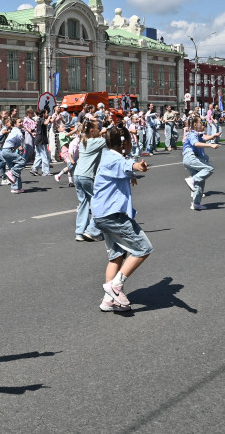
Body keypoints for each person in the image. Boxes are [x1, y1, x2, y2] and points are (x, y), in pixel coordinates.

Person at [91, 121, 151, 312]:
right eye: (131, 141)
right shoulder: (115, 160)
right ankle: (116, 286)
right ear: (124, 144)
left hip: (102, 215)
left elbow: (123, 167)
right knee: (143, 248)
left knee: (116, 256)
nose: (133, 143)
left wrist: (131, 174)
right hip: (112, 215)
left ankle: (108, 300)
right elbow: (126, 164)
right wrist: (138, 167)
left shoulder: (107, 156)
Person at [72, 120, 105, 241]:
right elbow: (110, 141)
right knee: (100, 202)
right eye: (98, 128)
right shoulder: (97, 141)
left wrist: (100, 133)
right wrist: (105, 132)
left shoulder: (83, 141)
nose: (99, 130)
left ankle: (80, 232)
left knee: (83, 203)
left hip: (77, 174)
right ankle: (92, 231)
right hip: (87, 176)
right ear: (92, 130)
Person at [182, 115, 220, 210]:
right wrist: (211, 145)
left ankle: (196, 203)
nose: (202, 124)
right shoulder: (192, 134)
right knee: (209, 169)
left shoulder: (196, 135)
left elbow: (202, 139)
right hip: (190, 157)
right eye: (201, 123)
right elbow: (196, 143)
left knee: (200, 181)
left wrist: (212, 136)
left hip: (191, 158)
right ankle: (192, 180)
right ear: (195, 124)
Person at [0, 117, 26, 193]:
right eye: (19, 122)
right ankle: (10, 172)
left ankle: (16, 188)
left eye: (21, 122)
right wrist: (22, 144)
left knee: (15, 169)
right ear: (15, 124)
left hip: (5, 151)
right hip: (8, 151)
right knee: (22, 161)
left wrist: (18, 146)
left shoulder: (13, 131)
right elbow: (21, 136)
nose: (21, 123)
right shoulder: (17, 130)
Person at [31, 109, 52, 176]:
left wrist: (53, 117)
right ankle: (45, 171)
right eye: (47, 113)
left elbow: (50, 121)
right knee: (44, 156)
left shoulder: (40, 120)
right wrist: (48, 118)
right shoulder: (41, 120)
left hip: (39, 140)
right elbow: (46, 123)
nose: (48, 114)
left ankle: (34, 169)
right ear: (43, 114)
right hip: (41, 140)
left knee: (39, 156)